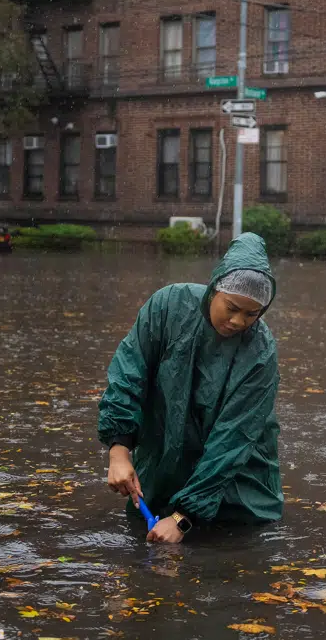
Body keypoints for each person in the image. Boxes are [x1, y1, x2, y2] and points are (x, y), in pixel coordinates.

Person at [98, 232, 282, 544]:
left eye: (252, 314)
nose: (239, 321)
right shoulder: (168, 307)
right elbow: (129, 374)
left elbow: (233, 439)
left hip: (235, 489)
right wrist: (119, 451)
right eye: (232, 307)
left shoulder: (260, 354)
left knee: (229, 550)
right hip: (163, 466)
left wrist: (183, 518)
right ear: (214, 291)